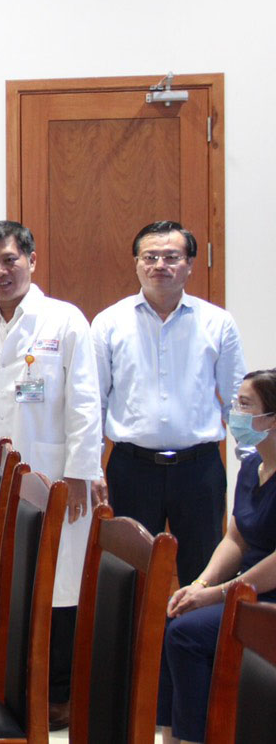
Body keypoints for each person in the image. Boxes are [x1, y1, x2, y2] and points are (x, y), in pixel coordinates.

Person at [0, 220, 103, 730]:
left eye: (9, 260)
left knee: (58, 582)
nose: (0, 271)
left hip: (56, 474)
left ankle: (58, 693)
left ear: (31, 260)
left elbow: (85, 400)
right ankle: (3, 682)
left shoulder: (64, 320)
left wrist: (83, 471)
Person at [92, 220, 246, 584]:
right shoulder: (109, 323)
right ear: (136, 263)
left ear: (190, 264)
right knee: (128, 575)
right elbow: (93, 401)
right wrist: (93, 465)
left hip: (199, 469)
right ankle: (131, 643)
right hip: (131, 467)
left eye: (171, 257)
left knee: (205, 570)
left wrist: (256, 463)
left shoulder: (217, 323)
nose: (160, 265)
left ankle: (195, 642)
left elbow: (237, 400)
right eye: (151, 256)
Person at [157, 369, 276, 744]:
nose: (234, 412)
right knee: (174, 613)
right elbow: (235, 538)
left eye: (245, 404)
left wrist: (218, 593)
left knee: (187, 635)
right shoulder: (251, 466)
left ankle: (195, 738)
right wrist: (200, 583)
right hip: (244, 588)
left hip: (267, 592)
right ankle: (170, 734)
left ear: (271, 419)